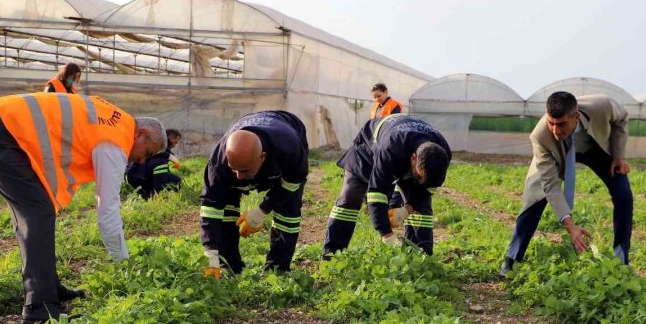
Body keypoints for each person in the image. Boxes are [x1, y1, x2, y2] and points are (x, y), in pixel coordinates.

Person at [0, 92, 167, 324]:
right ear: (141, 134)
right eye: (147, 153)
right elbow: (108, 210)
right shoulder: (115, 139)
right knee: (38, 212)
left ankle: (49, 288)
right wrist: (124, 263)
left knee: (39, 210)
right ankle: (39, 307)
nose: (142, 161)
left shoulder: (114, 120)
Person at [500, 91, 633, 278]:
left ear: (576, 117)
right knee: (535, 197)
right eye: (551, 123)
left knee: (623, 195)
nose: (555, 130)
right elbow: (551, 186)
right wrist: (570, 226)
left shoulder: (602, 105)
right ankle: (512, 259)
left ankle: (621, 260)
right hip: (557, 155)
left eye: (561, 124)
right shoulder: (541, 136)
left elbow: (622, 119)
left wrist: (619, 155)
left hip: (595, 148)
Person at [323, 114, 451, 256]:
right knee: (350, 196)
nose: (420, 181)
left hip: (406, 151)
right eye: (419, 175)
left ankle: (420, 256)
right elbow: (376, 193)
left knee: (423, 207)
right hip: (367, 149)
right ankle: (332, 255)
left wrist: (408, 209)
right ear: (413, 158)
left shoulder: (442, 152)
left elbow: (426, 188)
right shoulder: (391, 147)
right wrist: (386, 235)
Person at [200, 111, 308, 276]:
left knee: (288, 211)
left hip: (288, 129)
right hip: (250, 130)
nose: (239, 176)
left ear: (262, 157)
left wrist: (260, 211)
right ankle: (228, 265)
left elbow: (290, 185)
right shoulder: (218, 162)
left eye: (244, 170)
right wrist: (211, 255)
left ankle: (277, 270)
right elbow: (211, 208)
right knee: (226, 208)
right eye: (233, 169)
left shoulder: (289, 149)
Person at [369, 82, 406, 207]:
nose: (377, 99)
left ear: (386, 92)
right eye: (374, 97)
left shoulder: (395, 105)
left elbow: (395, 124)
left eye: (379, 95)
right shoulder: (376, 106)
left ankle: (391, 202)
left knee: (389, 171)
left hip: (389, 142)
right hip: (377, 142)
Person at [126, 128, 183, 199]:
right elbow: (155, 153)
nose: (174, 146)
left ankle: (155, 197)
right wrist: (171, 157)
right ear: (171, 138)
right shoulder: (155, 143)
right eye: (175, 142)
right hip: (138, 176)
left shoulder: (164, 150)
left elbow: (163, 173)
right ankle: (158, 194)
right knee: (160, 162)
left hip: (146, 177)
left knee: (177, 181)